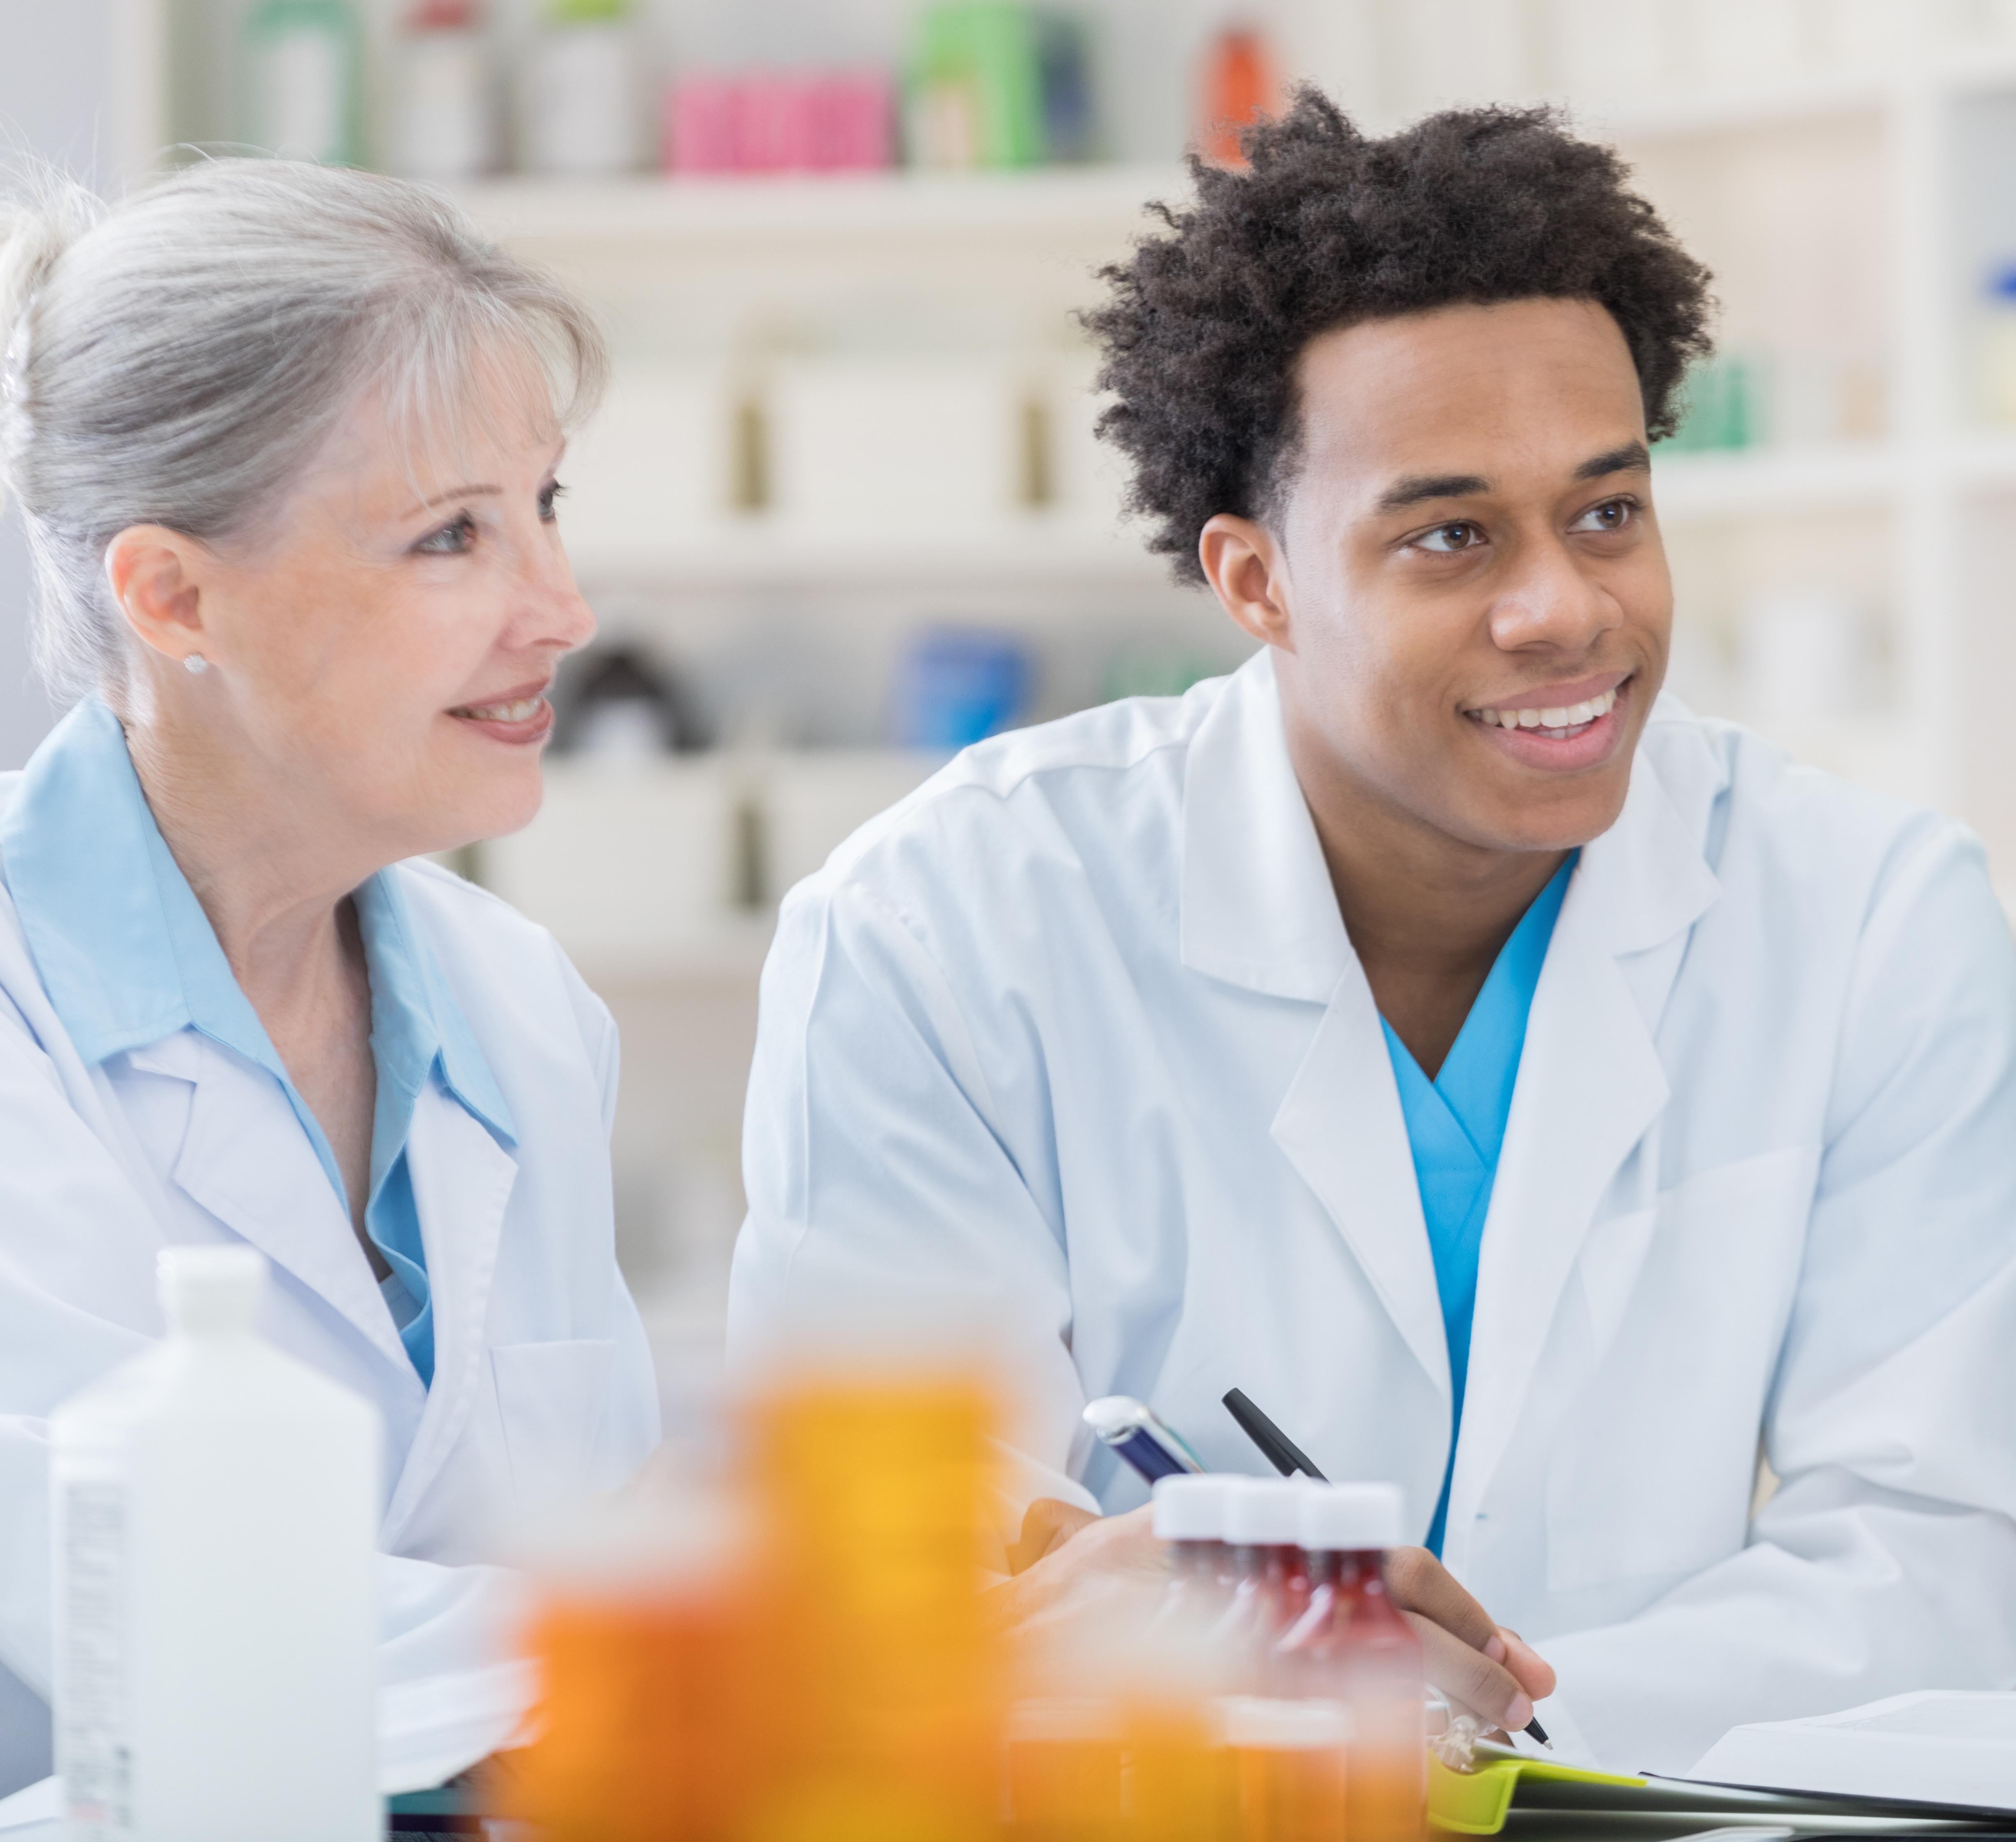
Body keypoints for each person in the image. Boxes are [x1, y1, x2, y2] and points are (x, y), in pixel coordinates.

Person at [728, 96, 2016, 1774]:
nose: (1563, 608)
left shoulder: (1869, 920)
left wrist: (1457, 1725)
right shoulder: (942, 929)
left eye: (1606, 511)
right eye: (1448, 534)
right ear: (1252, 580)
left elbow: (1943, 1556)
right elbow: (879, 1566)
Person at [0, 160, 657, 1796]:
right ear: (173, 595)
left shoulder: (518, 1010)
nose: (560, 614)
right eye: (450, 538)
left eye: (545, 507)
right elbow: (208, 1639)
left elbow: (603, 1551)